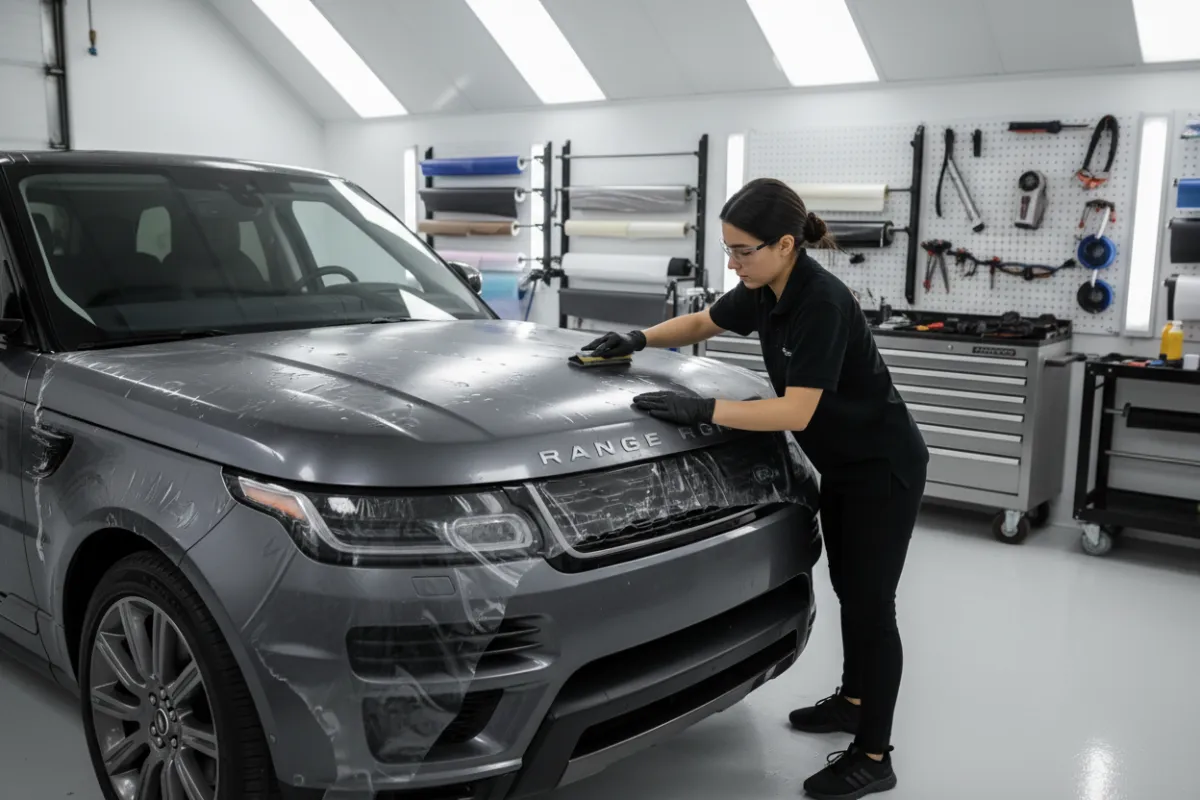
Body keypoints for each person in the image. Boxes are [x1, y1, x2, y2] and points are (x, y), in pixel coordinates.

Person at [582, 177, 928, 800]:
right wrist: (636, 338)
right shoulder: (765, 287)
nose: (733, 262)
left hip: (882, 469)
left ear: (785, 244)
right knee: (852, 591)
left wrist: (702, 409)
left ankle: (874, 754)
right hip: (846, 465)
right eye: (728, 250)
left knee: (873, 607)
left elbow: (795, 412)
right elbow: (704, 321)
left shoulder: (820, 300)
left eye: (742, 250)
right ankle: (853, 700)